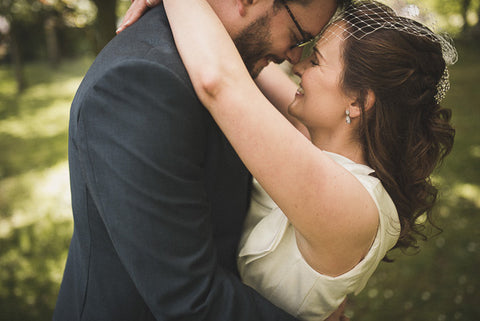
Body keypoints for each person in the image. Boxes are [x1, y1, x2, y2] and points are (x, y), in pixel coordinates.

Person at [122, 0, 456, 319]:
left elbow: (220, 82)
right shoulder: (314, 142)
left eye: (316, 61)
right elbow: (243, 59)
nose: (296, 65)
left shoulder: (353, 206)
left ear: (357, 102)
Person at [53, 0, 350, 320]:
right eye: (297, 36)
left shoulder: (229, 56)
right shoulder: (140, 80)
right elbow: (193, 302)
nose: (293, 57)